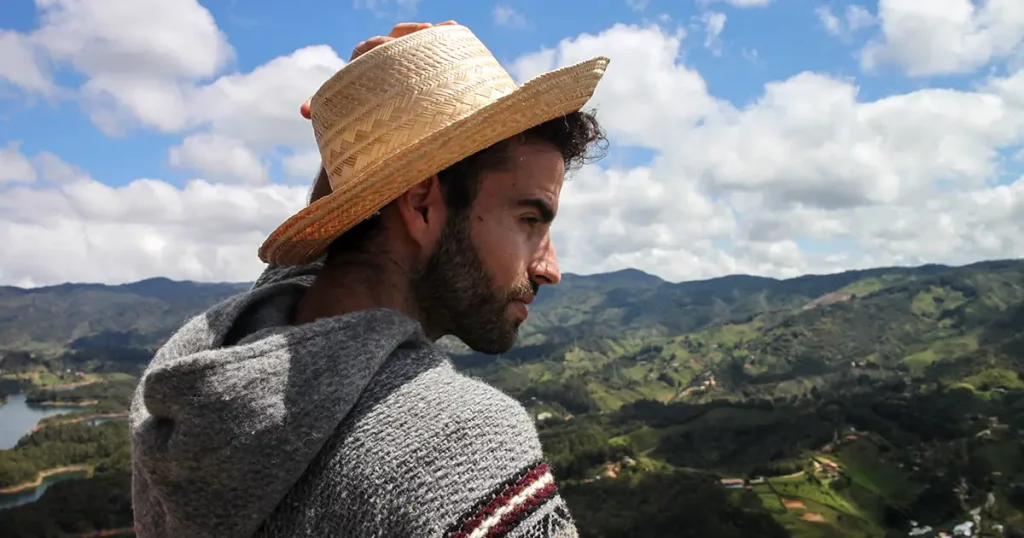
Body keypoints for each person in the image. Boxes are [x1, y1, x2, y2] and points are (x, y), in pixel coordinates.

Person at [129, 21, 610, 538]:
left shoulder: (205, 382)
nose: (550, 269)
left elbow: (321, 270)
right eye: (530, 221)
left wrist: (373, 136)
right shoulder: (460, 445)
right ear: (422, 203)